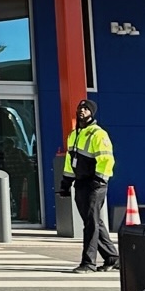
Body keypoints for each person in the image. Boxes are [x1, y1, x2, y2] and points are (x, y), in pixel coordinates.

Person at [61, 99, 118, 273]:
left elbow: (106, 159)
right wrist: (65, 183)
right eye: (80, 108)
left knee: (91, 223)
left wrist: (99, 180)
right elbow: (70, 162)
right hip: (81, 183)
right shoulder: (74, 135)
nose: (82, 111)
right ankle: (113, 258)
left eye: (86, 109)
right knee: (92, 221)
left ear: (92, 113)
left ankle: (88, 263)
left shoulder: (98, 134)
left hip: (95, 184)